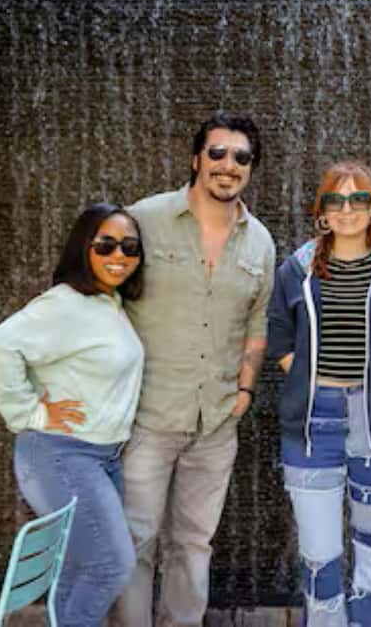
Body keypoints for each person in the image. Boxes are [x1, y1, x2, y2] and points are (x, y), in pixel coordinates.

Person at [112, 112, 275, 626]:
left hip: (217, 421)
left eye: (241, 157)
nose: (229, 165)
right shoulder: (143, 220)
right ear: (196, 159)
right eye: (217, 153)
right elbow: (101, 296)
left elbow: (257, 323)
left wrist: (245, 390)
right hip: (147, 416)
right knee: (134, 541)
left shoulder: (260, 242)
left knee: (194, 543)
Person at [0, 203, 144, 626]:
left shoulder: (109, 303)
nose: (119, 256)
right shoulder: (66, 304)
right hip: (61, 455)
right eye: (105, 245)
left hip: (101, 456)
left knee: (80, 566)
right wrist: (30, 413)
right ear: (83, 248)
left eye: (129, 247)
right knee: (111, 565)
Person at [267, 161, 371, 626]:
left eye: (358, 199)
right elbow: (279, 335)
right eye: (336, 200)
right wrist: (308, 377)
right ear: (322, 211)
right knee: (319, 557)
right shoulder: (297, 269)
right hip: (313, 424)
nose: (347, 209)